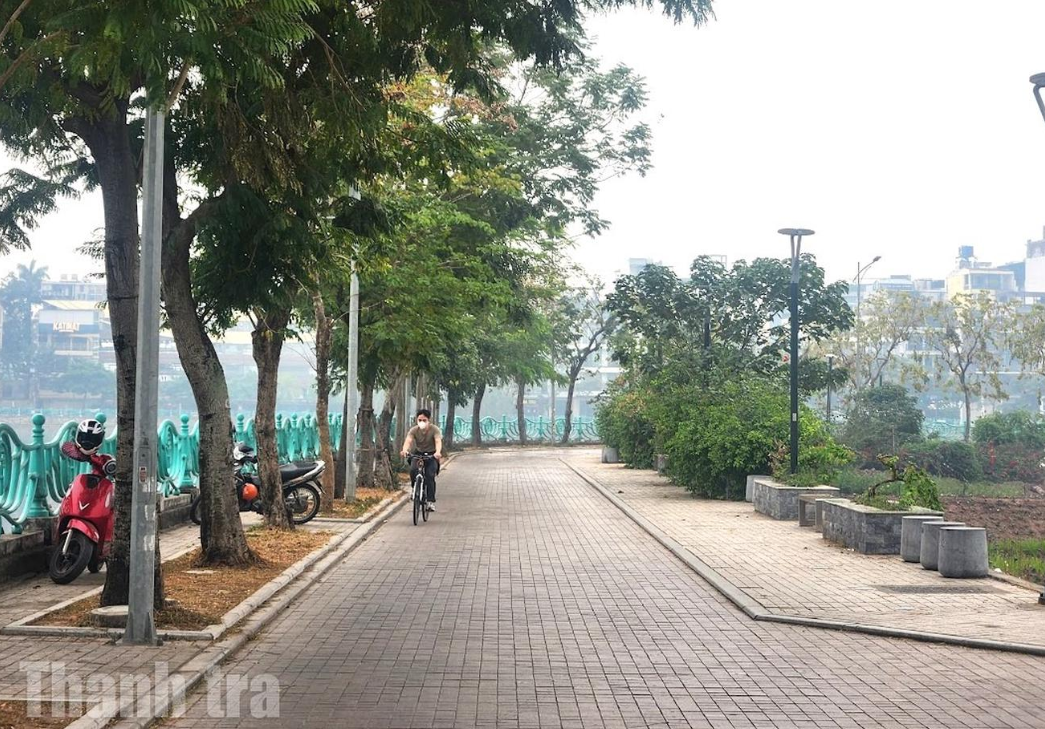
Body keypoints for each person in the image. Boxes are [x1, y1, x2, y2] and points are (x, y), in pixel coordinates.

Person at [400, 409, 443, 510]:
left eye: (424, 420)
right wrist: (405, 450)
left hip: (432, 455)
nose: (422, 422)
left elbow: (438, 441)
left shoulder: (434, 430)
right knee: (413, 470)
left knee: (430, 476)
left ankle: (430, 502)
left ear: (429, 420)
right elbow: (408, 440)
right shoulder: (414, 430)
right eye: (419, 420)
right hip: (418, 454)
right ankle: (414, 489)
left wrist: (437, 452)